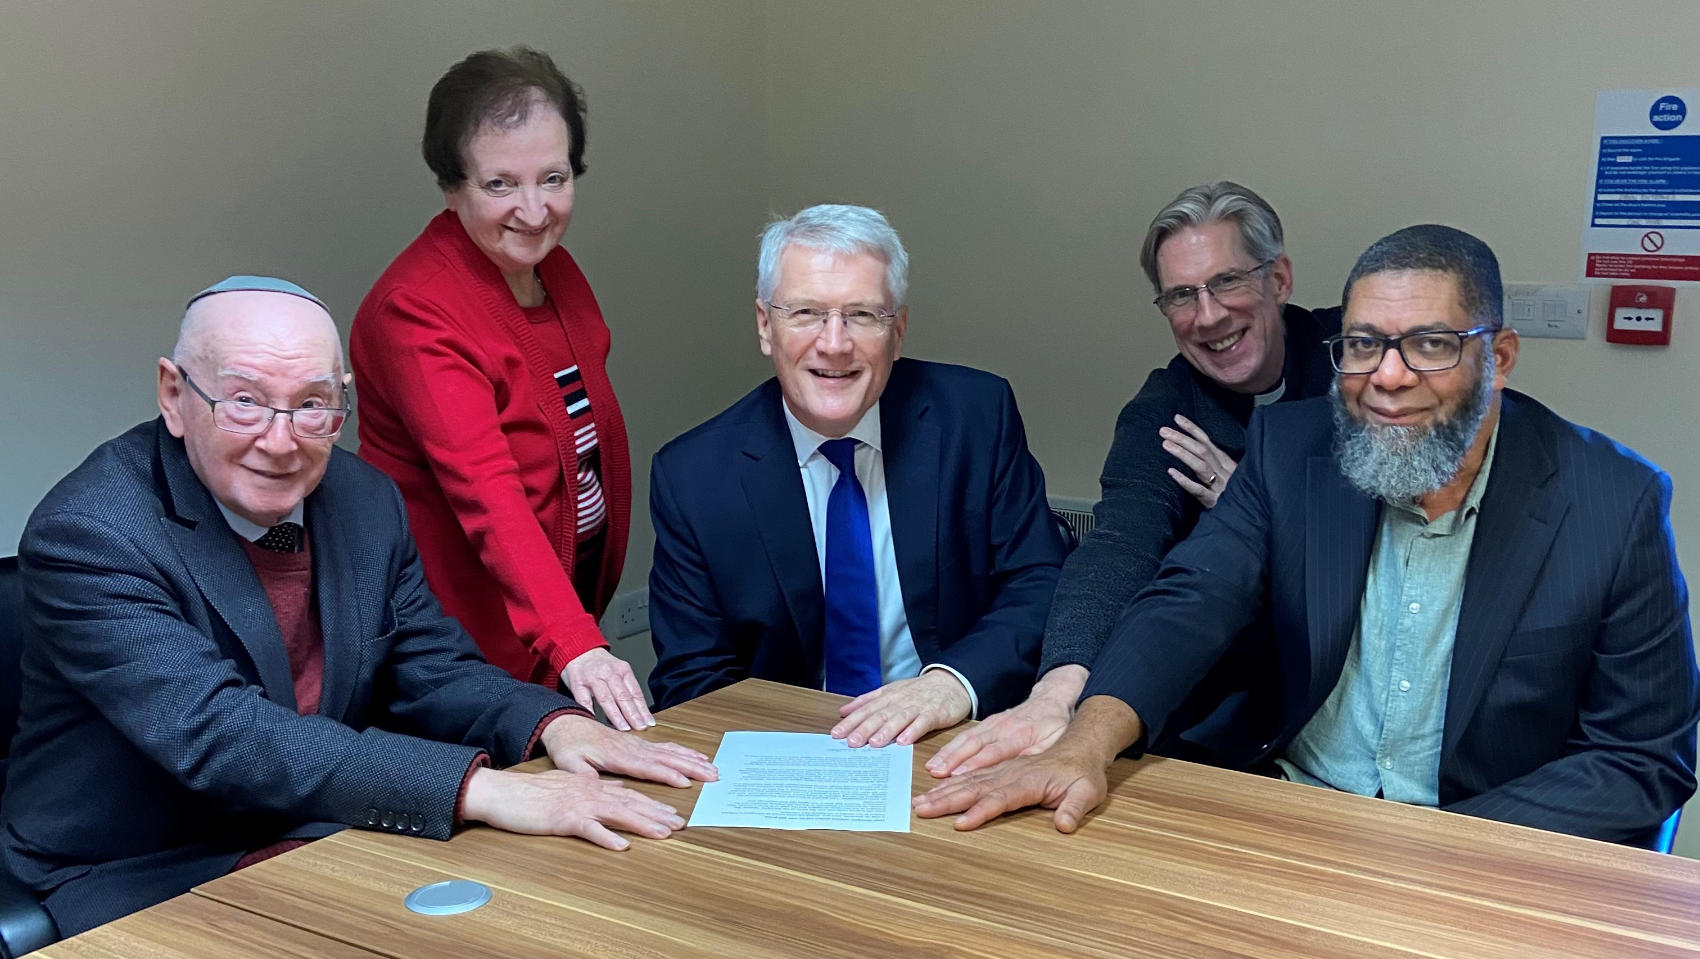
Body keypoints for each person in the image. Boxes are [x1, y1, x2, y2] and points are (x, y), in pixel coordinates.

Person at [916, 225, 1699, 847]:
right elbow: (1187, 600)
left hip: (1480, 843)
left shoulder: (1613, 501)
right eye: (1363, 344)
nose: (1387, 376)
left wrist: (1433, 845)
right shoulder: (1294, 450)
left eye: (1429, 343)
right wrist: (1085, 739)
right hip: (1285, 813)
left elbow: (1641, 757)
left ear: (1497, 357)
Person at [1, 278, 716, 936]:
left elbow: (431, 666)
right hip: (147, 867)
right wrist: (482, 788)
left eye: (313, 404)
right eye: (245, 400)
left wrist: (552, 722)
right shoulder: (93, 530)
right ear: (172, 394)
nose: (281, 442)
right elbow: (227, 734)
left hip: (313, 826)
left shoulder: (364, 499)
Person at [930, 181, 1340, 777]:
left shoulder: (1359, 368)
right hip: (1228, 722)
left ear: (1278, 279)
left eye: (1227, 281)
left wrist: (1259, 509)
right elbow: (1120, 546)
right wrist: (1055, 693)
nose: (1209, 316)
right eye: (1180, 296)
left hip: (1348, 703)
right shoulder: (1165, 408)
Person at [647, 204, 1065, 748]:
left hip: (958, 736)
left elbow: (1040, 581)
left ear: (899, 331)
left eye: (863, 315)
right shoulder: (694, 476)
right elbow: (691, 679)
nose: (835, 343)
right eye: (806, 313)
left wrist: (951, 685)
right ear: (764, 326)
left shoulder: (975, 417)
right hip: (785, 756)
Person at [350, 47, 650, 729]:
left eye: (554, 177)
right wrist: (578, 644)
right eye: (501, 185)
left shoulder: (559, 274)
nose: (535, 210)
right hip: (466, 659)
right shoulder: (417, 306)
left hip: (552, 636)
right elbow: (488, 491)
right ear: (451, 186)